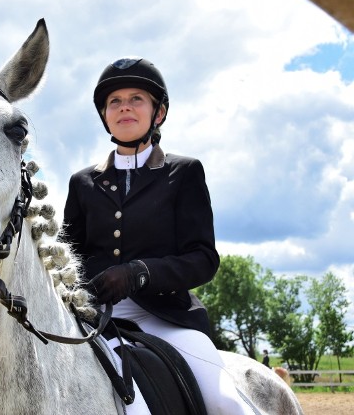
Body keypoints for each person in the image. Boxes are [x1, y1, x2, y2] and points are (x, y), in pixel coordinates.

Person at [62, 58, 257, 414]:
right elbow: (66, 256)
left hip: (165, 317)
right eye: (115, 101)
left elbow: (203, 259)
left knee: (227, 404)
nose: (124, 106)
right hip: (94, 318)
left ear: (159, 113)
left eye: (136, 98)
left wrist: (140, 272)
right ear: (105, 115)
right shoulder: (82, 183)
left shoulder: (183, 173)